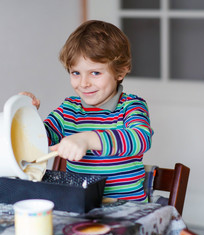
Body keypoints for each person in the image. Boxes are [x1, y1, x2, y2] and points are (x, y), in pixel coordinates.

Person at [21, 20, 153, 202]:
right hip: (80, 205)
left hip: (126, 209)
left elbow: (140, 138)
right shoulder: (68, 110)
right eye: (76, 73)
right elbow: (41, 141)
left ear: (120, 72)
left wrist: (88, 139)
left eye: (95, 73)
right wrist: (26, 117)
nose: (83, 83)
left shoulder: (131, 106)